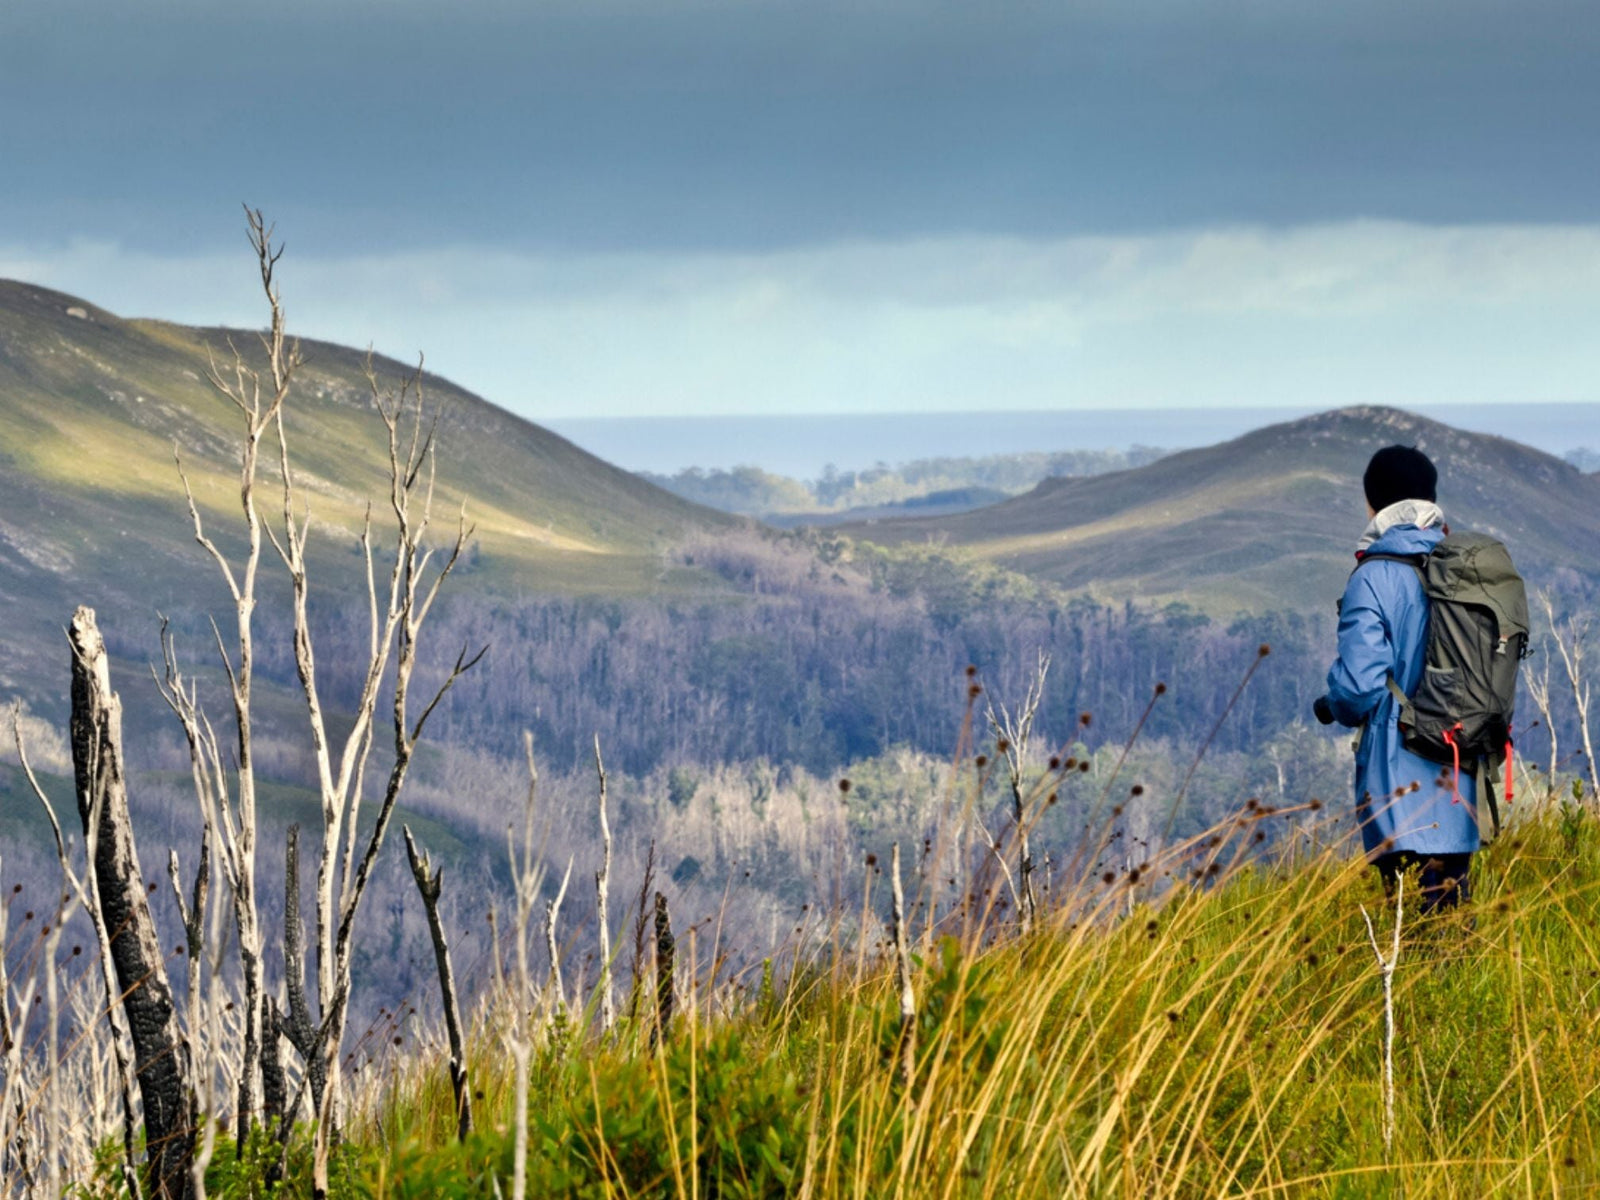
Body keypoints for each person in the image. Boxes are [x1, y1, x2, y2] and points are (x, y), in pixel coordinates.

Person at [1313, 445, 1478, 912]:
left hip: (1399, 771)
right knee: (1453, 916)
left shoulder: (1373, 576)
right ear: (1430, 496)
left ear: (1373, 503)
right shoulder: (1465, 568)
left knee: (1410, 926)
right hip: (1461, 767)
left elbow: (1358, 688)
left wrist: (1332, 703)